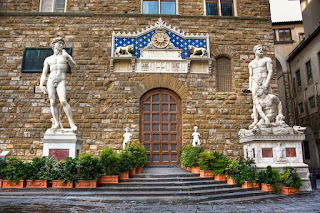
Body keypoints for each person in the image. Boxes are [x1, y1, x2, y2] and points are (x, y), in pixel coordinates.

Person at [39, 37, 78, 131]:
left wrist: (68, 57)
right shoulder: (48, 59)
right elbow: (44, 73)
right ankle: (56, 123)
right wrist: (41, 84)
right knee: (52, 102)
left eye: (62, 43)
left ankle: (71, 123)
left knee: (63, 101)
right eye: (59, 43)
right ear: (54, 45)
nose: (61, 45)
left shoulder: (65, 56)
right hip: (51, 80)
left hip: (61, 79)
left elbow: (74, 66)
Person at [248, 44, 273, 129]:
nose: (261, 50)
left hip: (264, 79)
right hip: (255, 81)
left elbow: (270, 71)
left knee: (268, 97)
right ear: (255, 51)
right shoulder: (251, 63)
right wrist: (250, 86)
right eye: (259, 49)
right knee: (255, 101)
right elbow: (250, 75)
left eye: (262, 49)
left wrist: (267, 82)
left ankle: (269, 117)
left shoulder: (267, 60)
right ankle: (255, 120)